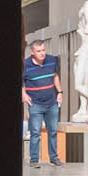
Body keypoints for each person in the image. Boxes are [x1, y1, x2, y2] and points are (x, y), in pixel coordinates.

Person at [21, 36, 62, 165]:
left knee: (53, 131)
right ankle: (34, 159)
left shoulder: (51, 60)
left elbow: (55, 76)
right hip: (35, 104)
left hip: (52, 103)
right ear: (32, 52)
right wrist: (23, 94)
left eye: (43, 50)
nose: (42, 53)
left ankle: (54, 158)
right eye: (38, 51)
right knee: (35, 132)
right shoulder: (25, 65)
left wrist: (59, 92)